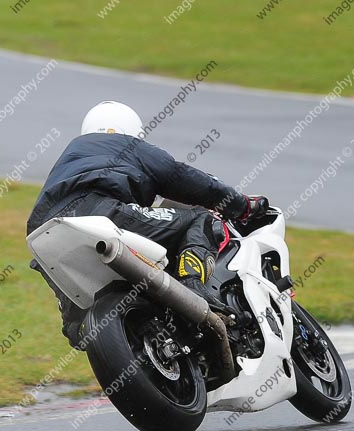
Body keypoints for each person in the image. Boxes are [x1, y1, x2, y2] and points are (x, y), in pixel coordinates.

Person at [27, 101, 269, 348]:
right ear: (133, 130)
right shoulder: (131, 146)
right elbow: (186, 178)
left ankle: (75, 322)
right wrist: (242, 205)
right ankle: (193, 284)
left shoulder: (71, 154)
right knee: (199, 218)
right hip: (100, 210)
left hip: (44, 229)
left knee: (77, 300)